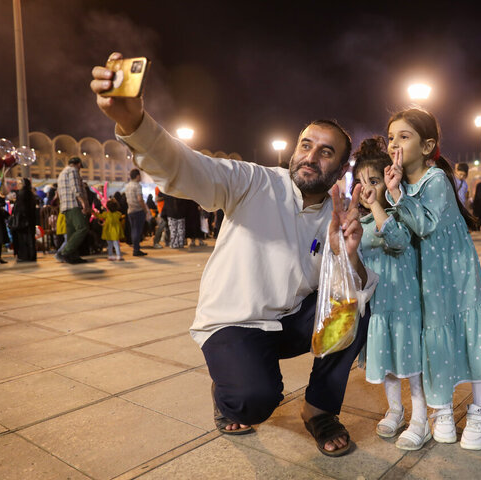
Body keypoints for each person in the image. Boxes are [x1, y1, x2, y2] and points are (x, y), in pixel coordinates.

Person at [91, 52, 378, 457]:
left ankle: (319, 410)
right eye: (306, 144)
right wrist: (133, 123)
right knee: (254, 401)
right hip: (234, 321)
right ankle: (230, 386)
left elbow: (356, 290)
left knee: (358, 304)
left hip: (289, 321)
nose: (311, 157)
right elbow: (186, 168)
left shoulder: (338, 216)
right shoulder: (253, 182)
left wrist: (347, 257)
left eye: (326, 152)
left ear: (342, 164)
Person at [384, 107, 481, 450]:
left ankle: (480, 412)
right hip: (426, 277)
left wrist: (396, 195)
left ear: (427, 146)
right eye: (391, 137)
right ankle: (443, 409)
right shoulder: (402, 183)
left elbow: (424, 223)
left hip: (456, 274)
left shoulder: (434, 178)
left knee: (470, 334)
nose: (395, 145)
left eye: (404, 137)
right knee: (436, 341)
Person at [353, 137, 426, 451]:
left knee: (413, 365)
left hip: (406, 305)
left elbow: (397, 241)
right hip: (378, 309)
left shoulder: (400, 214)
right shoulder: (364, 223)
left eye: (373, 180)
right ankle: (395, 410)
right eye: (360, 182)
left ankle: (421, 417)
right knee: (389, 365)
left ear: (390, 179)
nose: (366, 187)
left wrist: (375, 205)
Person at [56, 156, 90, 264]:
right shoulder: (73, 171)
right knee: (82, 228)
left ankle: (72, 256)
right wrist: (84, 203)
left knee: (72, 233)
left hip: (65, 206)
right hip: (74, 204)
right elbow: (76, 188)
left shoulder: (62, 173)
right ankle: (66, 251)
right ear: (78, 164)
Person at [10, 178, 38, 262]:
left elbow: (20, 208)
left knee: (23, 239)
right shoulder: (30, 193)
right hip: (30, 220)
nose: (18, 185)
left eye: (19, 183)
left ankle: (25, 256)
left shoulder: (22, 193)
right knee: (30, 238)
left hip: (23, 220)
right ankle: (31, 255)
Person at [125, 168, 151, 257]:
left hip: (130, 211)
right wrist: (145, 210)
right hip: (138, 210)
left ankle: (136, 248)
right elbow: (140, 199)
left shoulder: (127, 185)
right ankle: (136, 250)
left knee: (133, 230)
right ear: (137, 176)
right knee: (137, 230)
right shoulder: (137, 185)